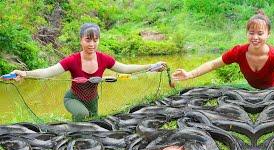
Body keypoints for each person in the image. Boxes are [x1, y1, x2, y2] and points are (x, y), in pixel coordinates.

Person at [172, 10, 274, 121]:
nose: (255, 37)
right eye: (251, 32)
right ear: (247, 33)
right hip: (251, 93)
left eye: (260, 33)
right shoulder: (239, 52)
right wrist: (189, 74)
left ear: (268, 34)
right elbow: (213, 64)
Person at [10, 23, 166, 121]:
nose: (92, 44)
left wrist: (151, 65)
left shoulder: (104, 59)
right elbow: (48, 72)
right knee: (82, 116)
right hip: (73, 99)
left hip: (93, 101)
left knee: (93, 123)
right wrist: (25, 73)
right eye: (88, 39)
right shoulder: (72, 60)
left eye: (95, 40)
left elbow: (125, 68)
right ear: (81, 40)